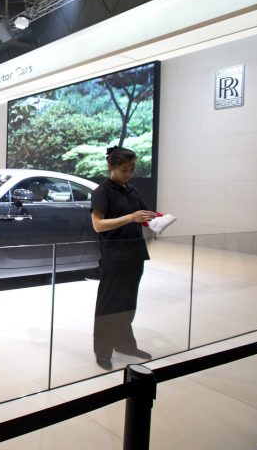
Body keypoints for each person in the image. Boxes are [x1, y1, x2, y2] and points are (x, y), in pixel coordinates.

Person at [90, 146, 155, 371]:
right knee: (109, 304)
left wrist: (157, 220)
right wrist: (130, 218)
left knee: (128, 302)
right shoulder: (102, 192)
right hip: (114, 256)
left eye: (132, 169)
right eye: (125, 169)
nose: (129, 174)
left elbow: (146, 216)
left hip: (135, 254)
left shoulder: (132, 190)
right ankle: (103, 351)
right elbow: (98, 225)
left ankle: (125, 344)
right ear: (112, 167)